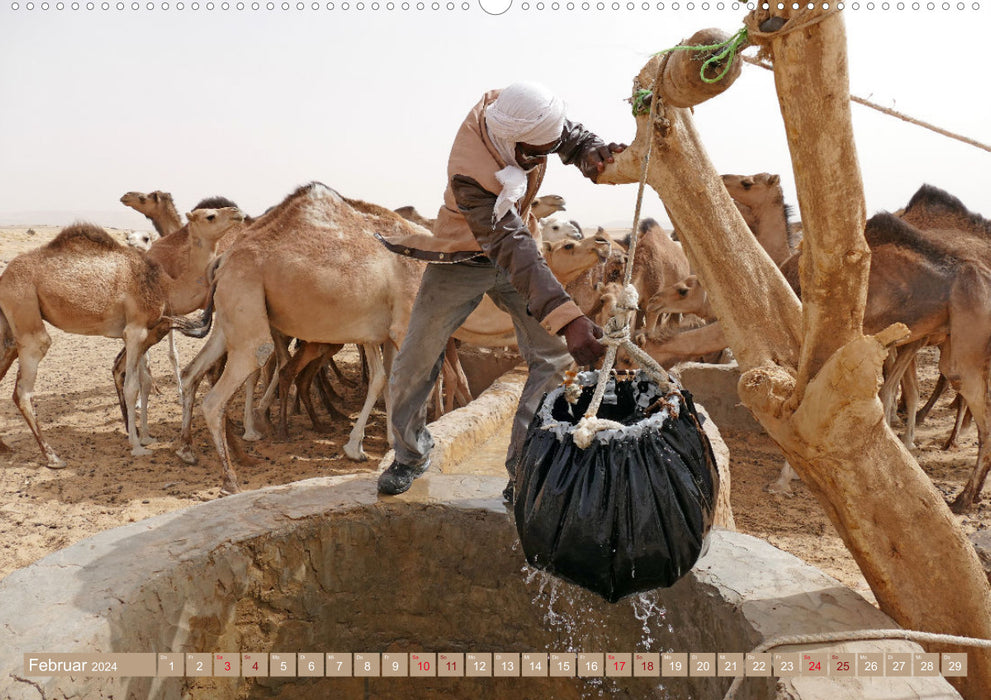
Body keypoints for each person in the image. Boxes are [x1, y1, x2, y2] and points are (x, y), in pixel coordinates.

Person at [376, 81, 624, 498]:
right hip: (464, 255)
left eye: (548, 150)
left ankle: (524, 469)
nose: (542, 160)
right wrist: (569, 318)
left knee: (553, 358)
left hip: (518, 248)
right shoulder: (470, 169)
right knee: (415, 359)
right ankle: (410, 455)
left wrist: (587, 149)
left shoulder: (523, 116)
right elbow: (508, 244)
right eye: (535, 154)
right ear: (509, 141)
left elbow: (562, 135)